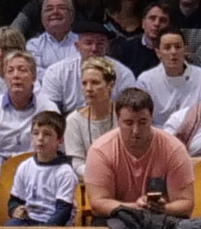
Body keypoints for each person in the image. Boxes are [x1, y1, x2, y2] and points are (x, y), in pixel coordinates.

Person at [80, 87, 193, 219]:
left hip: (162, 218)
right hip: (118, 219)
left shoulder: (174, 149)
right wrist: (137, 208)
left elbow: (186, 204)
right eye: (128, 123)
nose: (135, 130)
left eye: (142, 122)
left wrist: (162, 208)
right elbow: (98, 204)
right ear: (118, 121)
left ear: (151, 118)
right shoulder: (100, 150)